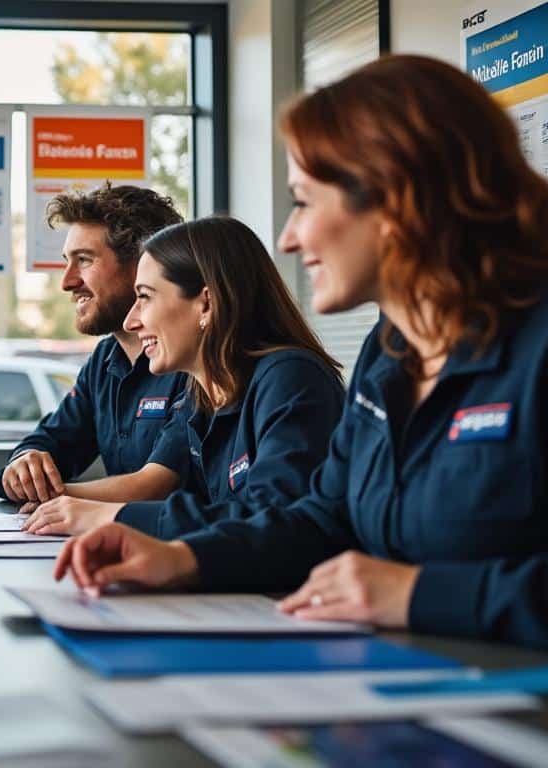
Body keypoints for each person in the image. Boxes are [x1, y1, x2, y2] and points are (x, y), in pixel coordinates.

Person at [52, 54, 548, 648]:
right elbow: (321, 519)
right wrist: (182, 557)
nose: (288, 237)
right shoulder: (389, 357)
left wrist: (416, 594)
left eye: (305, 202)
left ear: (396, 199)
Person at [22, 217, 344, 536]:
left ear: (206, 303)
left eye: (145, 297)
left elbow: (273, 522)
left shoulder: (290, 379)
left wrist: (113, 517)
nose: (132, 321)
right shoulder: (202, 398)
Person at [0, 184, 186, 506]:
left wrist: (55, 498)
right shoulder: (105, 360)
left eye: (84, 260)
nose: (67, 282)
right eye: (67, 261)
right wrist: (25, 464)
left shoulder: (193, 358)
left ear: (145, 267)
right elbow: (52, 441)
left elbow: (159, 487)